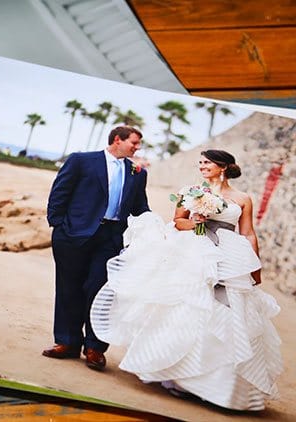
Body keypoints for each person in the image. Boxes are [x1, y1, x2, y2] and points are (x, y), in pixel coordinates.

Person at [90, 150, 282, 410]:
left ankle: (221, 387)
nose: (202, 166)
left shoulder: (243, 198)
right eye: (200, 162)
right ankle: (181, 379)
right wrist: (197, 223)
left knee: (228, 310)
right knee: (190, 307)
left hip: (230, 256)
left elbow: (248, 233)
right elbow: (178, 221)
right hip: (195, 251)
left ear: (222, 167)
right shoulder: (191, 191)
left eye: (207, 163)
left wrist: (254, 266)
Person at [43, 126, 150, 370]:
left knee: (100, 291)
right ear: (117, 140)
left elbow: (140, 206)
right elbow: (59, 192)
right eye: (134, 142)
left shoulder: (137, 172)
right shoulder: (82, 161)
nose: (137, 148)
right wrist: (58, 225)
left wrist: (157, 226)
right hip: (73, 235)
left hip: (111, 239)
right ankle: (67, 342)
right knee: (68, 288)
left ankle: (94, 348)